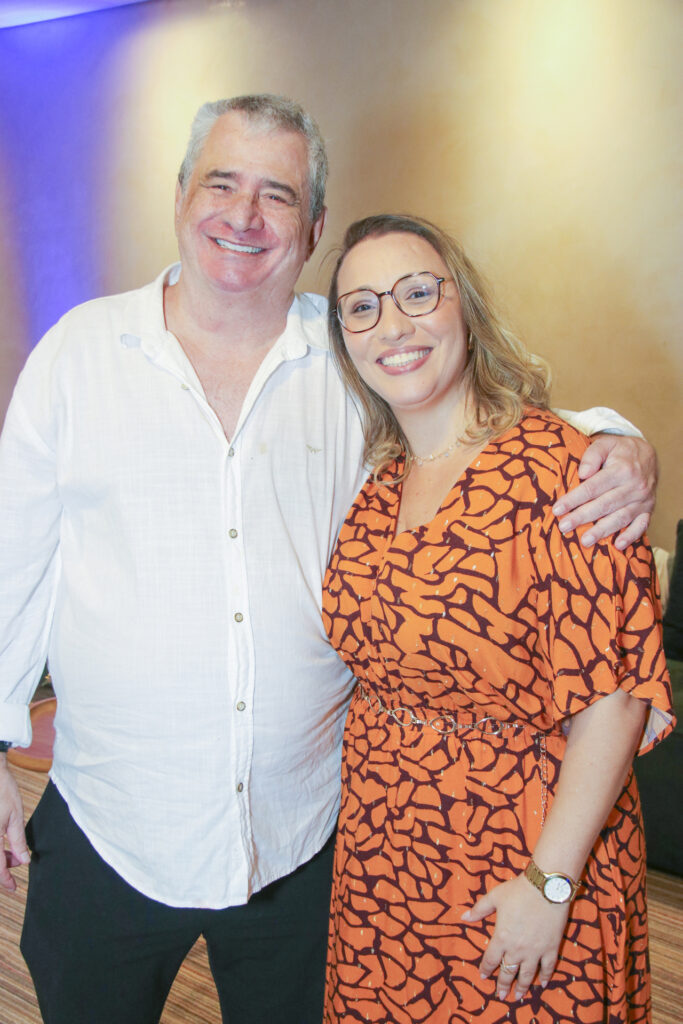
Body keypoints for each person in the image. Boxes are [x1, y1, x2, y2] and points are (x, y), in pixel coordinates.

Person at [0, 97, 658, 1024]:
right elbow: (14, 560)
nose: (244, 214)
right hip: (114, 827)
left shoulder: (346, 354)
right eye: (221, 183)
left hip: (309, 837)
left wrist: (617, 441)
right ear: (180, 196)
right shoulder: (80, 353)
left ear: (311, 227)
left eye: (277, 194)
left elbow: (487, 420)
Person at [322, 214, 674, 1024]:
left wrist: (548, 883)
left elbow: (615, 698)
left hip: (526, 853)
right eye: (362, 307)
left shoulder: (567, 469)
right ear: (344, 340)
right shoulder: (380, 482)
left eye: (417, 293)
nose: (393, 326)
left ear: (465, 308)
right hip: (383, 853)